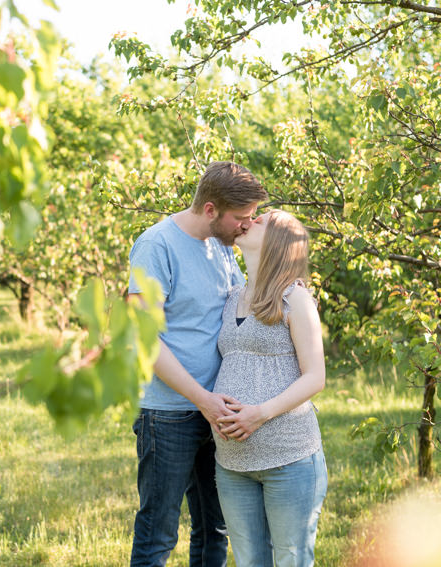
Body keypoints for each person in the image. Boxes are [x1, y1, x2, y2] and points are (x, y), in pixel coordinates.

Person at [127, 161, 267, 567]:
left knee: (215, 530)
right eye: (240, 218)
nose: (246, 225)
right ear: (210, 210)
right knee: (158, 532)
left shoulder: (222, 248)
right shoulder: (157, 246)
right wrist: (201, 398)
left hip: (218, 413)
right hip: (169, 414)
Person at [212, 209, 327, 567]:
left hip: (288, 458)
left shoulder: (296, 299)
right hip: (232, 463)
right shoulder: (232, 297)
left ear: (279, 240)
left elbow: (315, 377)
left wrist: (258, 414)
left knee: (291, 560)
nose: (248, 220)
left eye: (260, 219)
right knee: (249, 562)